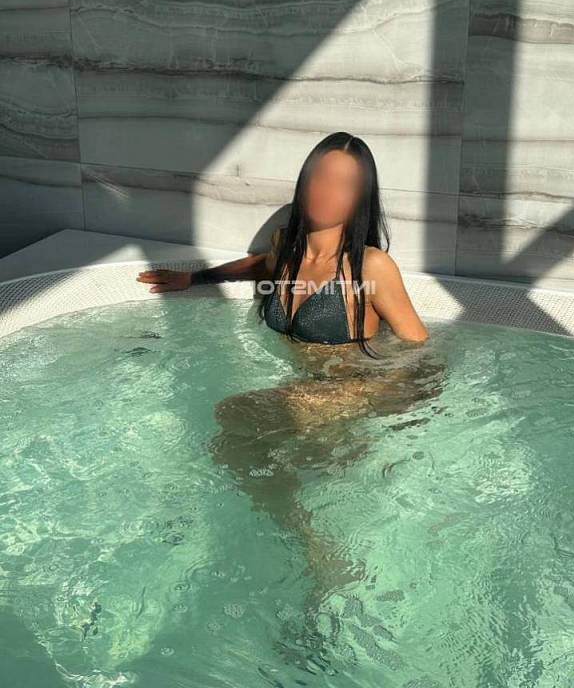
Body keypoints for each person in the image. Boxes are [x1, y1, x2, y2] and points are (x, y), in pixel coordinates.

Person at [136, 132, 445, 662]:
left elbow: (422, 351)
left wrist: (373, 399)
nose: (327, 191)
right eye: (320, 177)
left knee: (233, 415)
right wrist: (195, 278)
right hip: (306, 398)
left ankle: (316, 553)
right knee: (231, 449)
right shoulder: (288, 246)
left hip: (349, 393)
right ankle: (315, 561)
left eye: (344, 184)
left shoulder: (371, 268)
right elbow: (259, 265)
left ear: (361, 198)